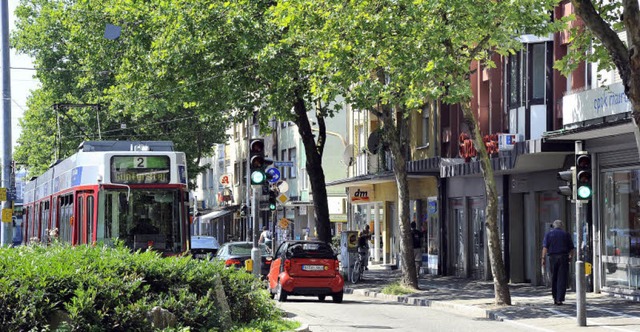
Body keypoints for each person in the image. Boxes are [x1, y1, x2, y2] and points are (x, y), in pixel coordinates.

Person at [541, 219, 575, 306]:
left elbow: (545, 248)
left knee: (554, 277)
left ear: (554, 226)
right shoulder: (566, 234)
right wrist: (570, 256)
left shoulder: (549, 234)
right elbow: (572, 248)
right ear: (561, 226)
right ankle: (560, 298)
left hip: (553, 257)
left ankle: (555, 297)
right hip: (563, 257)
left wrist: (543, 258)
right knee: (562, 278)